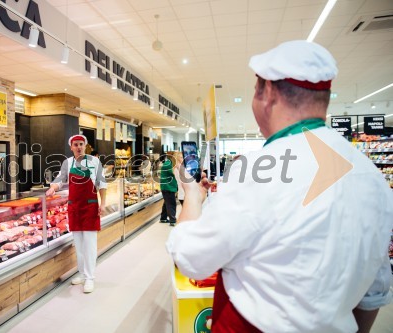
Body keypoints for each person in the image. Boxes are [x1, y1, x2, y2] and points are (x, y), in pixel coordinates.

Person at [166, 40, 392, 333]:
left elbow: (191, 259)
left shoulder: (255, 170)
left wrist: (192, 195)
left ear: (267, 92)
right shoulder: (372, 177)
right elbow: (373, 293)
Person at [46, 134, 106, 293]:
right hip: (75, 208)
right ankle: (82, 274)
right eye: (75, 144)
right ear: (71, 147)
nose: (78, 147)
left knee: (90, 245)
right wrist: (53, 188)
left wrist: (103, 203)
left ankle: (90, 278)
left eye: (81, 144)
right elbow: (61, 178)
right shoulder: (68, 162)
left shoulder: (94, 162)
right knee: (78, 245)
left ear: (85, 146)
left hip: (90, 207)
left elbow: (102, 183)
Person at [159, 152, 177, 226]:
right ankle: (173, 220)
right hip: (168, 187)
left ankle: (163, 218)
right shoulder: (169, 164)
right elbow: (175, 172)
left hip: (168, 186)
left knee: (167, 202)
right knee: (171, 203)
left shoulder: (168, 163)